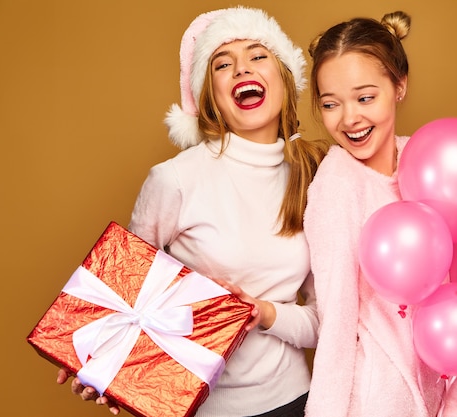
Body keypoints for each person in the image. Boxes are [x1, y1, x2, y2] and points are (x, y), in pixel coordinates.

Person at [56, 6, 328, 417]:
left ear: (285, 78)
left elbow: (323, 321)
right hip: (202, 407)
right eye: (223, 64)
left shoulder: (313, 178)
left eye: (257, 55)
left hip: (294, 402)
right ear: (211, 96)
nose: (241, 69)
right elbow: (123, 302)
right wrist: (100, 363)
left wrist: (264, 313)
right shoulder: (175, 180)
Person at [303, 11, 457, 417]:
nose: (350, 119)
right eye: (331, 104)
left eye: (365, 97)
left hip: (438, 381)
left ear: (399, 86)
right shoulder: (336, 186)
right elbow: (337, 318)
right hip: (377, 395)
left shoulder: (429, 160)